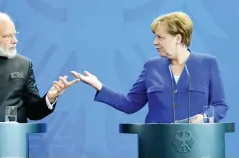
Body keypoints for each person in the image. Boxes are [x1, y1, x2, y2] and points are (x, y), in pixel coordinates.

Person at [71, 11, 228, 123]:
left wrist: (204, 118)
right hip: (156, 145)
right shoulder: (152, 67)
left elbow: (220, 106)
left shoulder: (207, 64)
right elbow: (130, 103)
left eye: (160, 37)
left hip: (196, 146)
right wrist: (98, 85)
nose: (155, 42)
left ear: (178, 38)